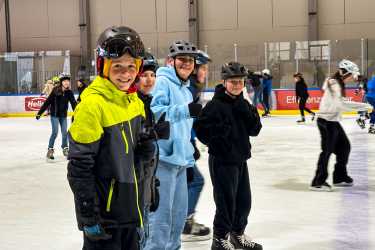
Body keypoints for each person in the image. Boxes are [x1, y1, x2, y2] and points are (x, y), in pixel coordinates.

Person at [67, 25, 155, 250]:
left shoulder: (134, 102)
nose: (126, 74)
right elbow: (79, 166)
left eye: (131, 66)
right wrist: (88, 214)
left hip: (131, 213)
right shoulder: (92, 106)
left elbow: (139, 159)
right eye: (117, 66)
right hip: (106, 221)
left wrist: (151, 189)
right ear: (103, 67)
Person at [194, 62, 263, 250]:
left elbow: (255, 129)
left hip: (240, 159)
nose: (237, 85)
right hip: (222, 161)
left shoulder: (244, 103)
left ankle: (237, 234)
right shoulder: (215, 105)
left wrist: (246, 111)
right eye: (233, 82)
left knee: (243, 201)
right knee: (226, 202)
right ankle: (220, 238)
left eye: (240, 81)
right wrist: (217, 139)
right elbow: (200, 129)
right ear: (224, 82)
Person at [144, 40, 201, 250]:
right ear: (171, 61)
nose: (187, 64)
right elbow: (155, 111)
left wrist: (189, 152)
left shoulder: (186, 90)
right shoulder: (162, 82)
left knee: (177, 221)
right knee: (160, 221)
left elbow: (183, 129)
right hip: (163, 161)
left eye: (190, 60)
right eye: (182, 59)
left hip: (179, 162)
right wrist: (185, 110)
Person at [310, 59, 372, 191]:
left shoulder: (337, 82)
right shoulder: (334, 84)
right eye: (351, 75)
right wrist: (366, 106)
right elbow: (342, 105)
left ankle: (339, 177)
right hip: (326, 121)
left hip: (332, 121)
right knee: (326, 151)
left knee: (344, 147)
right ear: (345, 73)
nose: (353, 78)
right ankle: (318, 182)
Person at [136, 51, 170, 247]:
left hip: (144, 185)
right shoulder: (135, 103)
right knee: (138, 237)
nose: (149, 80)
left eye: (152, 75)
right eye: (144, 75)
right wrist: (151, 135)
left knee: (144, 234)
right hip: (133, 189)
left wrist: (152, 187)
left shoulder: (147, 102)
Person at [182, 50, 211, 242]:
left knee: (186, 182)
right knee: (195, 181)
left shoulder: (193, 88)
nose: (205, 72)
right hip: (181, 144)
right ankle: (186, 223)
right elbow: (185, 118)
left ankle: (183, 221)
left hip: (184, 143)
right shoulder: (190, 89)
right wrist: (190, 142)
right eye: (203, 68)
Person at [36, 73, 77, 161]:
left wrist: (78, 113)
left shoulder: (69, 92)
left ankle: (65, 148)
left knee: (65, 133)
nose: (67, 83)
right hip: (54, 115)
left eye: (68, 81)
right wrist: (40, 113)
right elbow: (47, 102)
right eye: (65, 81)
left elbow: (74, 104)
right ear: (61, 82)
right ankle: (50, 150)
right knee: (55, 132)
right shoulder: (55, 90)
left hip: (63, 116)